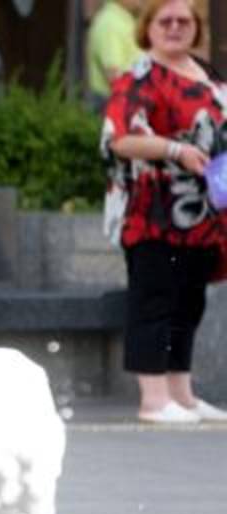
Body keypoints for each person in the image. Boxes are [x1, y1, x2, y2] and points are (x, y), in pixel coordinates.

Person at [102, 0, 227, 424]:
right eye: (165, 20)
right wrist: (175, 149)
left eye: (184, 21)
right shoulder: (140, 75)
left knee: (189, 303)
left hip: (202, 213)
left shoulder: (205, 73)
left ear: (197, 28)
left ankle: (182, 394)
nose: (175, 28)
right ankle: (153, 400)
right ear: (147, 27)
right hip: (153, 211)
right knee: (154, 300)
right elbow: (121, 138)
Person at [87, 0, 145, 112]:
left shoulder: (123, 19)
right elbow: (114, 75)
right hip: (115, 106)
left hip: (125, 103)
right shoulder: (110, 23)